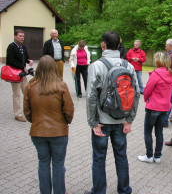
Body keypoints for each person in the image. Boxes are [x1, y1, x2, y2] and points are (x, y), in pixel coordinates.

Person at [85, 31, 140, 194]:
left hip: (101, 122)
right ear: (118, 45)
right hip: (122, 121)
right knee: (121, 157)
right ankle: (124, 190)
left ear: (103, 44)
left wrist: (93, 122)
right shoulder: (128, 65)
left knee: (99, 159)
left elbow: (91, 97)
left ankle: (99, 191)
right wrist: (130, 119)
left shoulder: (96, 66)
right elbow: (136, 93)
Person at [23, 55, 74, 194]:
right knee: (58, 165)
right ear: (54, 68)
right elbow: (69, 110)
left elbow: (26, 111)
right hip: (59, 132)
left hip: (38, 132)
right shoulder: (61, 85)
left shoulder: (30, 86)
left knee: (43, 163)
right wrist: (65, 122)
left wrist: (35, 122)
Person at [137, 51, 172, 163]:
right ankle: (157, 156)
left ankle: (149, 156)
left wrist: (146, 100)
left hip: (153, 107)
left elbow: (147, 90)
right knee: (159, 132)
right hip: (165, 107)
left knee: (147, 132)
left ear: (158, 61)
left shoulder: (155, 74)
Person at [6, 29, 33, 122]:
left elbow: (26, 58)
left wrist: (29, 61)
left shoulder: (23, 47)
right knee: (17, 94)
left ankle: (29, 111)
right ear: (15, 36)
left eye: (23, 36)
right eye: (20, 36)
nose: (22, 38)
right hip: (15, 74)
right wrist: (22, 67)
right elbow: (10, 61)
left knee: (26, 92)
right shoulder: (11, 47)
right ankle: (17, 114)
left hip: (23, 74)